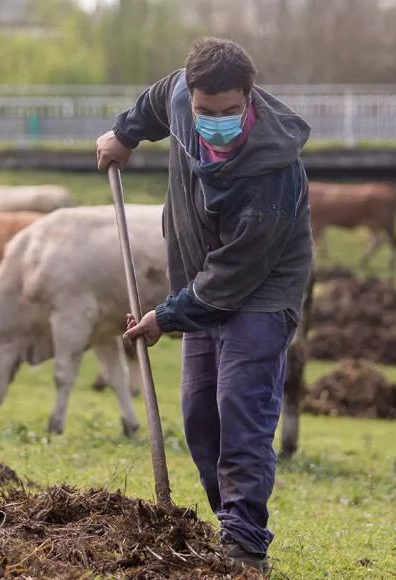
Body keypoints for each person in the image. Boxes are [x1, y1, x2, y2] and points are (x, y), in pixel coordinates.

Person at [95, 37, 313, 573]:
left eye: (229, 112)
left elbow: (236, 274)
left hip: (260, 291)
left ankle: (244, 544)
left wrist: (166, 316)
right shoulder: (178, 98)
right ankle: (228, 524)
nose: (215, 121)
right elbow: (155, 100)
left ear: (249, 98)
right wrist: (124, 135)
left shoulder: (273, 171)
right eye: (205, 112)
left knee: (241, 408)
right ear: (191, 99)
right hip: (199, 283)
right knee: (199, 417)